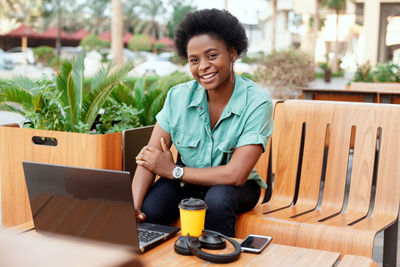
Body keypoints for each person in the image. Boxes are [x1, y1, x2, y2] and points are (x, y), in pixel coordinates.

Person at [132, 8, 273, 237]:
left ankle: (217, 258)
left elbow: (235, 174)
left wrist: (173, 171)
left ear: (233, 53)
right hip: (186, 181)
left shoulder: (257, 102)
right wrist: (133, 206)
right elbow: (150, 157)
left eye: (212, 56)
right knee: (151, 209)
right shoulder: (178, 97)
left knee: (217, 199)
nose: (203, 66)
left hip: (237, 187)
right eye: (194, 60)